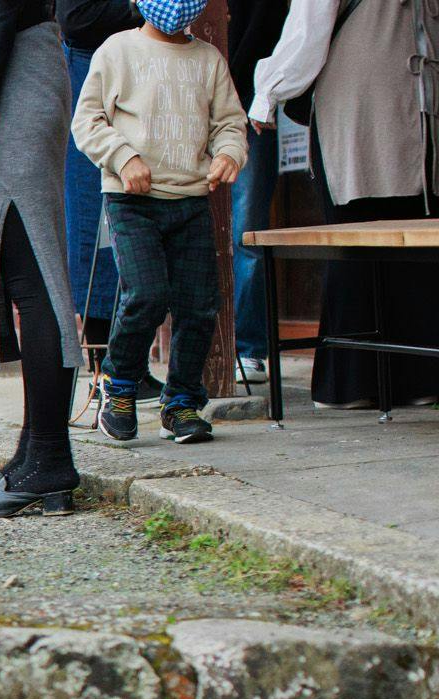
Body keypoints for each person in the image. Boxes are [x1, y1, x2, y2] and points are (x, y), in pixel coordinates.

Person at [73, 0, 248, 445]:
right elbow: (86, 121)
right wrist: (123, 157)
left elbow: (229, 122)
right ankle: (121, 386)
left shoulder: (209, 60)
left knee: (198, 305)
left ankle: (182, 403)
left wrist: (229, 152)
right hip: (131, 201)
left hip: (191, 201)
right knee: (146, 295)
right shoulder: (116, 50)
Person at [250, 0, 439, 409]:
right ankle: (403, 381)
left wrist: (268, 92)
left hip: (379, 103)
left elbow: (308, 28)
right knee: (395, 241)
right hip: (404, 104)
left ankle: (365, 383)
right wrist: (271, 90)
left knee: (368, 240)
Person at [0, 0, 89, 518]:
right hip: (16, 75)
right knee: (27, 274)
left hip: (13, 83)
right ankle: (32, 455)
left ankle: (49, 457)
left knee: (34, 279)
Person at [57, 0, 143, 380]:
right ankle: (106, 366)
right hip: (88, 64)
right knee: (95, 222)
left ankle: (128, 363)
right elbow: (75, 18)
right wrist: (140, 7)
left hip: (139, 64)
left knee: (140, 213)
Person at [227, 0, 292, 384]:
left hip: (250, 99)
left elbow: (269, 25)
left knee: (247, 232)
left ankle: (249, 347)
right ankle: (204, 348)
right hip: (187, 102)